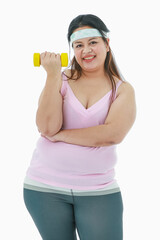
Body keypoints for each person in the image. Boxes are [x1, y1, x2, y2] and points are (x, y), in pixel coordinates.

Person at [23, 14, 136, 240]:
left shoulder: (123, 90)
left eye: (93, 42)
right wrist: (53, 74)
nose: (86, 50)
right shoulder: (61, 79)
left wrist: (61, 135)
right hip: (44, 188)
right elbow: (46, 127)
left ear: (107, 44)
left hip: (98, 189)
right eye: (78, 45)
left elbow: (111, 135)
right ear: (72, 49)